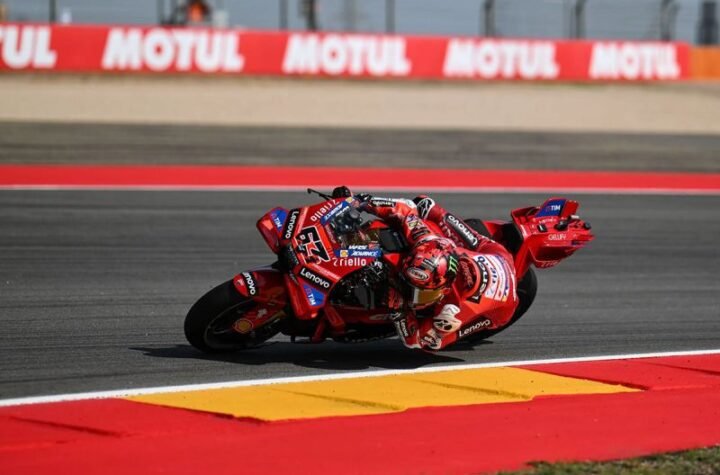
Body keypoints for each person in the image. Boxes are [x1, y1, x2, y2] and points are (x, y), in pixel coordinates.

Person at [356, 193, 519, 351]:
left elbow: (415, 341)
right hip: (494, 253)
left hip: (502, 306)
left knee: (435, 343)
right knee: (425, 204)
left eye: (421, 294)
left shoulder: (454, 308)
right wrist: (362, 201)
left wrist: (399, 313)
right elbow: (406, 208)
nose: (412, 295)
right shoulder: (425, 240)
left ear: (445, 290)